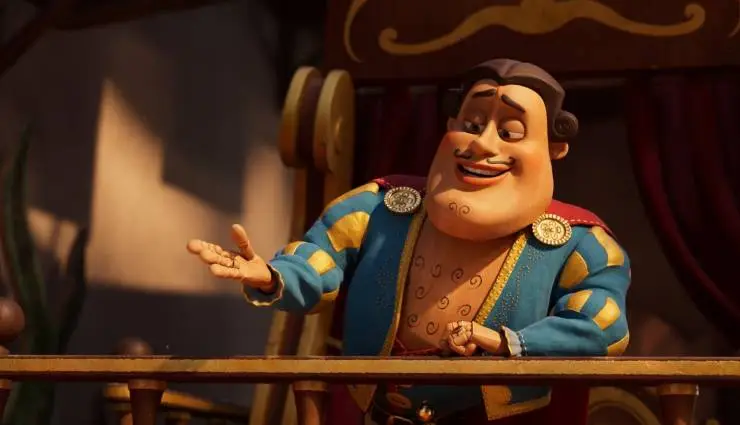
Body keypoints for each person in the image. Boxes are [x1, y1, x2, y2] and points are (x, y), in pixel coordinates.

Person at [186, 58, 631, 425]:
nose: (482, 144)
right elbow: (320, 259)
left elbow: (603, 326)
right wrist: (270, 276)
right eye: (472, 123)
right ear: (450, 124)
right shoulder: (378, 205)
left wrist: (509, 343)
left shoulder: (580, 241)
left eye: (510, 133)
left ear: (554, 148)